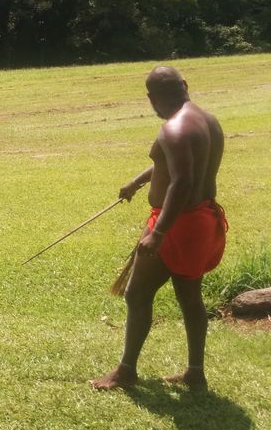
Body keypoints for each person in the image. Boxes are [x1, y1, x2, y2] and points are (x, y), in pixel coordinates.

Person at [91, 66, 227, 391]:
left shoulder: (172, 129)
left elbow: (182, 182)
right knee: (189, 297)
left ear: (151, 98)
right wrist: (137, 182)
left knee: (137, 293)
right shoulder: (206, 120)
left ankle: (126, 371)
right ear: (185, 85)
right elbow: (170, 164)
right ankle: (195, 372)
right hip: (201, 222)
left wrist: (159, 232)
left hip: (176, 224)